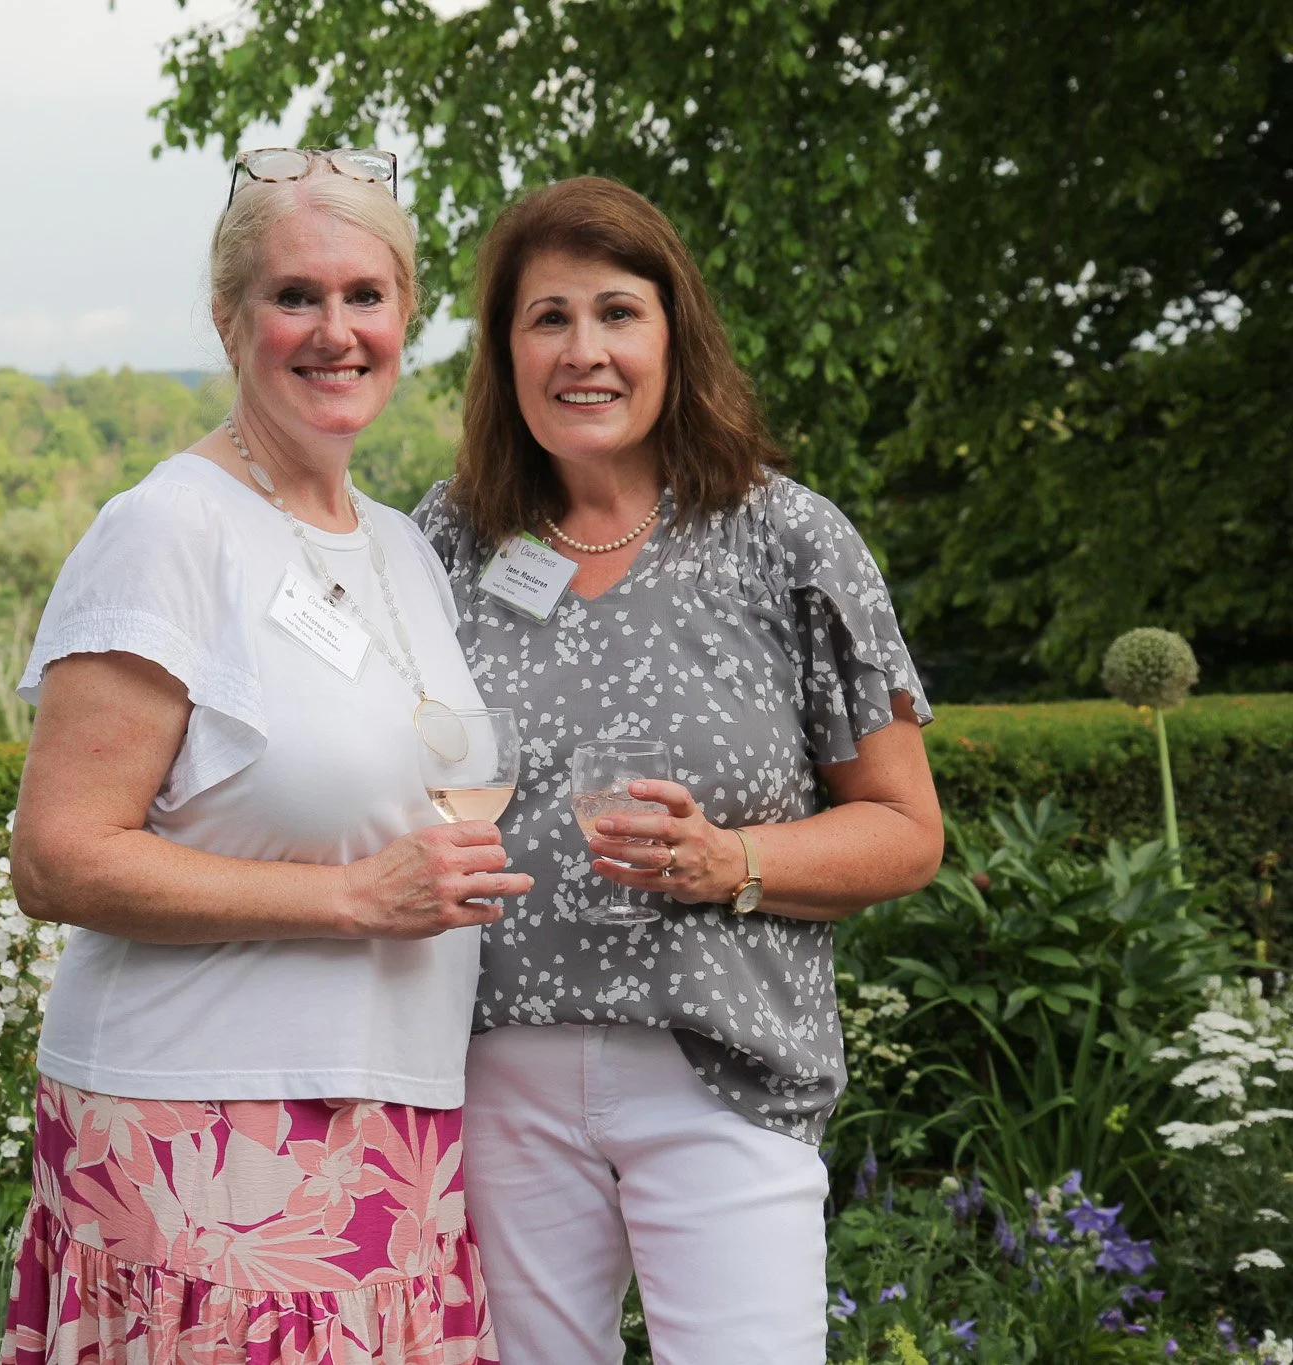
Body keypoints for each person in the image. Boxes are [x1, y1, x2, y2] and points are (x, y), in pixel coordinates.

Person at [0, 147, 531, 1365]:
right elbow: (55, 859)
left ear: (405, 315)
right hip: (202, 1136)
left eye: (365, 295)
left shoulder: (399, 546)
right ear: (228, 317)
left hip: (393, 1135)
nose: (335, 331)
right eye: (296, 295)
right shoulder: (167, 529)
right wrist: (351, 898)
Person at [411, 176, 944, 1365]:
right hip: (490, 1074)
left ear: (673, 335)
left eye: (617, 313)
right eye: (547, 318)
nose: (582, 351)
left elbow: (906, 830)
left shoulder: (785, 537)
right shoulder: (445, 539)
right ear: (503, 351)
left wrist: (728, 860)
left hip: (722, 1071)